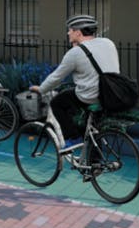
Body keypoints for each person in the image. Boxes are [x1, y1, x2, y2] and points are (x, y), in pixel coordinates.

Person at [30, 14, 120, 143]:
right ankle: (94, 152)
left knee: (57, 103)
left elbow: (56, 77)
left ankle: (72, 138)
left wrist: (41, 89)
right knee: (93, 130)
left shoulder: (75, 53)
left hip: (91, 96)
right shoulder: (108, 43)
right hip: (110, 93)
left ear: (78, 33)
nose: (68, 33)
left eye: (70, 30)